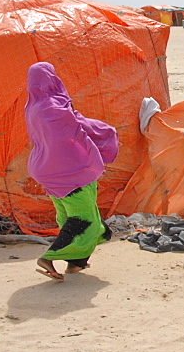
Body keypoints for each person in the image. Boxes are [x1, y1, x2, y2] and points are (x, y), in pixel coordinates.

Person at [24, 62, 118, 281]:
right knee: (85, 221)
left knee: (68, 215)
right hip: (70, 171)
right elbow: (77, 125)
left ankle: (76, 263)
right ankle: (50, 256)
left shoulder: (32, 107)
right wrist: (106, 133)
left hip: (45, 169)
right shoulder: (54, 105)